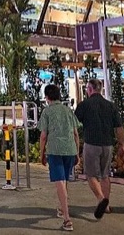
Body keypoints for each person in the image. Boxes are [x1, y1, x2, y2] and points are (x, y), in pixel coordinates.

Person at [74, 79, 124, 220]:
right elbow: (119, 128)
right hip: (108, 145)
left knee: (91, 175)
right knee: (105, 175)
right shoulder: (111, 106)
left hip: (92, 144)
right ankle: (106, 206)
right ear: (101, 89)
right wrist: (121, 145)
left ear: (90, 89)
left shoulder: (84, 105)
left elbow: (74, 125)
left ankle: (101, 198)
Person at [39, 84, 80, 231]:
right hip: (70, 149)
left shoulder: (47, 112)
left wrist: (41, 153)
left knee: (60, 182)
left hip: (55, 150)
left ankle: (67, 219)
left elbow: (43, 136)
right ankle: (62, 209)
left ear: (47, 97)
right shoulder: (68, 110)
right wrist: (77, 151)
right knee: (64, 181)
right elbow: (75, 133)